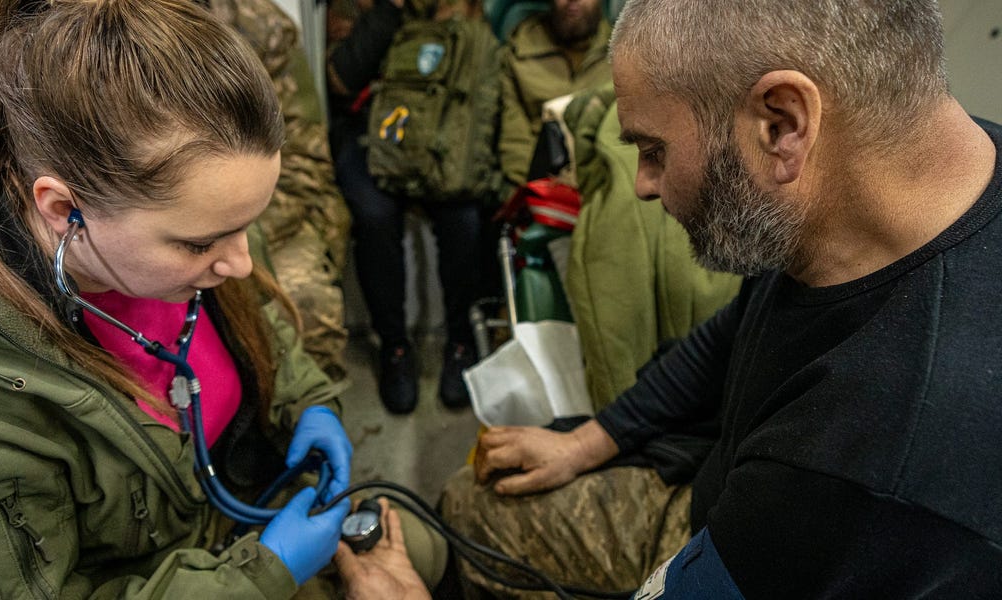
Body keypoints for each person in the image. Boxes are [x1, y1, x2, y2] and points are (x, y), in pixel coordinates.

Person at [341, 0, 1002, 597]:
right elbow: (735, 330)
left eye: (654, 150)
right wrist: (591, 441)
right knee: (478, 491)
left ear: (782, 124)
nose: (643, 185)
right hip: (729, 480)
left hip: (741, 532)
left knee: (462, 515)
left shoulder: (862, 467)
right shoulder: (871, 195)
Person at [0, 1, 357, 597]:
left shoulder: (189, 231)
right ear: (66, 210)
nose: (241, 263)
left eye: (247, 225)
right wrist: (261, 575)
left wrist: (308, 402)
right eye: (201, 243)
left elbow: (261, 327)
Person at [327, 0, 487, 412]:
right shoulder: (379, 12)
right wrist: (390, 9)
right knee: (374, 215)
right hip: (378, 135)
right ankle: (395, 346)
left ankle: (460, 340)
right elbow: (341, 79)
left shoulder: (476, 20)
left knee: (464, 216)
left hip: (445, 139)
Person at [207, 0, 354, 382]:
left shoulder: (262, 26)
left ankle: (313, 408)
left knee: (306, 306)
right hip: (150, 222)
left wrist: (238, 235)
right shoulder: (106, 31)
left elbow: (303, 156)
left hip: (265, 216)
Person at [498, 0, 613, 191]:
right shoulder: (518, 54)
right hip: (541, 184)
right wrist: (533, 193)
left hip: (605, 182)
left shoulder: (623, 51)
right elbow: (515, 139)